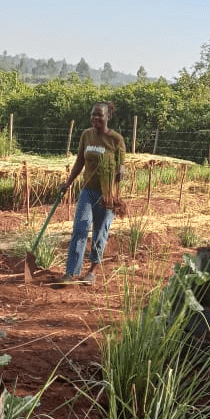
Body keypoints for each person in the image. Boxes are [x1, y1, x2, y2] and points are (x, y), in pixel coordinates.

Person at [59, 101, 126, 285]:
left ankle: (92, 271)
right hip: (87, 191)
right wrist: (67, 183)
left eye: (99, 115)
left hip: (107, 194)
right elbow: (79, 162)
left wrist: (120, 171)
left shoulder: (116, 140)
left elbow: (121, 164)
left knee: (100, 232)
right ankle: (70, 273)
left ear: (108, 117)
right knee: (80, 228)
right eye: (93, 115)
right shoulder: (86, 135)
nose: (95, 118)